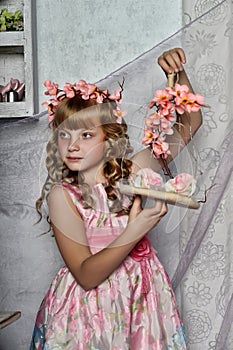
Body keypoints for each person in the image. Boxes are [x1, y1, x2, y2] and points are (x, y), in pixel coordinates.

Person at [30, 48, 202, 349]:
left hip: (141, 302)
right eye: (64, 134)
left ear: (109, 140)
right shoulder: (64, 196)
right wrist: (135, 231)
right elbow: (86, 275)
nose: (72, 145)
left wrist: (177, 74)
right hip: (91, 312)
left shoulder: (133, 173)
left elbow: (189, 125)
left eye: (86, 135)